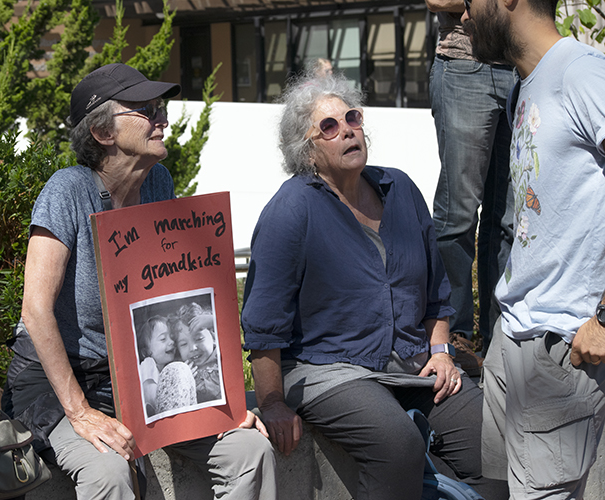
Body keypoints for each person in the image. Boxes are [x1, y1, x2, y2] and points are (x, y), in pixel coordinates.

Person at [3, 63, 276, 500]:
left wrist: (216, 402)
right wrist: (81, 413)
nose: (162, 118)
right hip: (59, 380)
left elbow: (172, 295)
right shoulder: (67, 190)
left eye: (161, 107)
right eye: (147, 110)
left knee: (248, 449)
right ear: (103, 132)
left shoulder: (158, 184)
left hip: (131, 375)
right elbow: (35, 312)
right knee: (109, 473)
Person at [241, 70, 508, 500]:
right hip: (326, 368)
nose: (347, 130)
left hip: (413, 362)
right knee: (397, 445)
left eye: (352, 118)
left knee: (495, 445)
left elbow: (436, 291)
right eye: (329, 127)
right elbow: (264, 323)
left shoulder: (399, 187)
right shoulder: (290, 210)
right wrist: (271, 402)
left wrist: (441, 352)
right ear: (306, 150)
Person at [461, 0, 605, 497]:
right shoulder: (526, 84)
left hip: (562, 344)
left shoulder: (583, 74)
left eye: (468, 2)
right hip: (511, 338)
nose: (461, 15)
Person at [425, 0, 516, 357]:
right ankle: (454, 335)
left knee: (507, 221)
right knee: (457, 214)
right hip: (464, 65)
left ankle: (499, 338)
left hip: (520, 67)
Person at [136, 316, 176, 414]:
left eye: (172, 337)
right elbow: (153, 402)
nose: (172, 342)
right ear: (147, 351)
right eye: (163, 339)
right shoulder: (148, 364)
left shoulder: (165, 369)